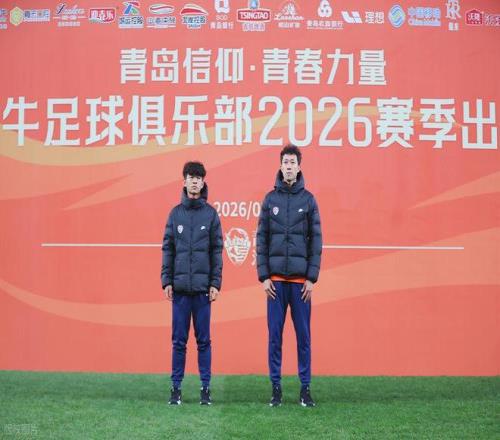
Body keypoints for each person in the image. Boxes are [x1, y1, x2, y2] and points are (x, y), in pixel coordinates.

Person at [256, 144, 322, 407]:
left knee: (304, 338)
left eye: (293, 162)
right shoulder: (270, 200)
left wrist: (311, 278)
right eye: (285, 162)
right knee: (275, 337)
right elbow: (261, 239)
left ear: (299, 166)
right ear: (280, 166)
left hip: (300, 284)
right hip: (275, 284)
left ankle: (305, 389)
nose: (289, 166)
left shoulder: (309, 200)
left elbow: (316, 241)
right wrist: (264, 276)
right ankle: (276, 389)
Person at [161, 161, 223, 405]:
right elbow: (168, 249)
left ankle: (205, 389)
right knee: (178, 342)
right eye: (191, 177)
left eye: (198, 177)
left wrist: (215, 283)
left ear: (203, 181)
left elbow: (217, 251)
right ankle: (175, 389)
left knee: (204, 341)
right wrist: (166, 280)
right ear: (184, 181)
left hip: (202, 292)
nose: (195, 181)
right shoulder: (175, 214)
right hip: (179, 291)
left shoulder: (211, 215)